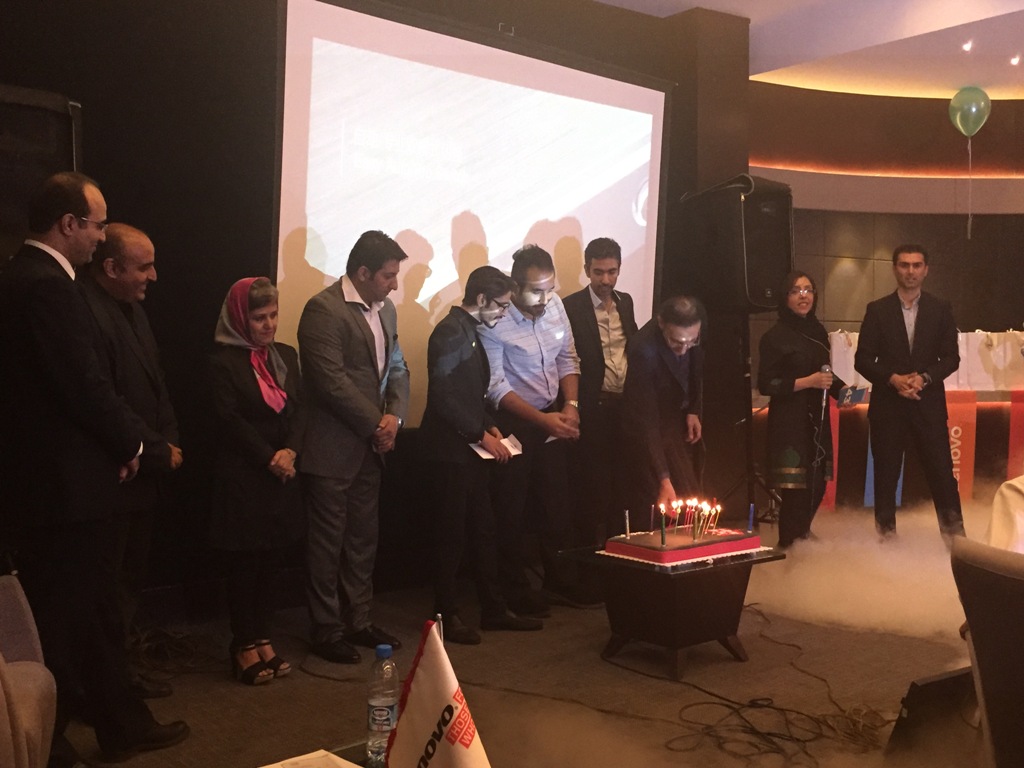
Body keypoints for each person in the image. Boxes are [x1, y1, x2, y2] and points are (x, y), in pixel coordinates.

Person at [0, 172, 188, 765]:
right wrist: (137, 448)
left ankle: (119, 722)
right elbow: (83, 390)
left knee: (96, 611)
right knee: (64, 619)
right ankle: (44, 742)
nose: (101, 235)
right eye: (98, 224)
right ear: (69, 224)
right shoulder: (49, 287)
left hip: (52, 484)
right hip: (67, 491)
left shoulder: (18, 276)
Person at [80, 223, 182, 698]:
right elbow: (105, 399)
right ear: (111, 267)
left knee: (128, 582)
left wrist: (169, 442)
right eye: (144, 267)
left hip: (146, 474)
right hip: (115, 475)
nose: (154, 277)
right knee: (104, 589)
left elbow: (156, 385)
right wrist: (154, 449)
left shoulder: (134, 311)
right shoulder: (86, 313)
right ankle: (103, 688)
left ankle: (119, 677)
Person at [298, 230, 410, 664]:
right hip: (332, 448)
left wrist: (395, 418)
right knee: (327, 545)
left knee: (363, 540)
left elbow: (397, 368)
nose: (394, 285)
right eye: (388, 276)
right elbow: (330, 382)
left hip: (372, 447)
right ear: (363, 272)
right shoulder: (323, 309)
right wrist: (375, 423)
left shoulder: (387, 311)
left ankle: (358, 621)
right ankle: (326, 629)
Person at [420, 265, 543, 644]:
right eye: (502, 306)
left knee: (483, 530)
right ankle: (445, 615)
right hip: (448, 454)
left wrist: (490, 425)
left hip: (469, 452)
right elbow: (443, 397)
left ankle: (493, 609)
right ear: (481, 299)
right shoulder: (449, 332)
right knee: (451, 537)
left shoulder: (469, 330)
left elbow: (472, 395)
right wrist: (481, 434)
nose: (505, 313)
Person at [478, 244, 591, 615]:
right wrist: (544, 420)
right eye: (536, 291)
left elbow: (568, 358)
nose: (545, 299)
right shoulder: (496, 318)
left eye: (550, 289)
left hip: (552, 413)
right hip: (512, 423)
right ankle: (515, 590)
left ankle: (561, 581)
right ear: (515, 286)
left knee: (557, 504)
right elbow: (495, 387)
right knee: (511, 508)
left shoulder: (554, 306)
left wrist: (571, 406)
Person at [210, 277, 305, 684]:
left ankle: (264, 637)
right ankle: (243, 645)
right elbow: (228, 421)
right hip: (245, 477)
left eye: (273, 315)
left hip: (283, 474)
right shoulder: (223, 362)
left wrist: (291, 451)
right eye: (259, 317)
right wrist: (269, 457)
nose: (269, 325)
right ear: (239, 318)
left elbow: (300, 410)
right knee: (245, 564)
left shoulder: (285, 356)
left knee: (271, 561)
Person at [854, 243, 965, 539]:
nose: (910, 271)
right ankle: (886, 539)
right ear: (895, 269)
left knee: (942, 476)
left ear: (926, 270)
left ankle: (956, 541)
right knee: (886, 478)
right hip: (888, 408)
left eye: (917, 265)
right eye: (904, 265)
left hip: (928, 406)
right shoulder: (877, 310)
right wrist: (892, 379)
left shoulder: (940, 309)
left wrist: (924, 378)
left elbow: (951, 358)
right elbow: (862, 359)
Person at [757, 272, 846, 548]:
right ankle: (788, 543)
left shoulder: (818, 332)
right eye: (795, 291)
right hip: (790, 421)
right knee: (795, 488)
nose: (803, 296)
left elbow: (823, 372)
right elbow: (766, 384)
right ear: (785, 298)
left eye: (808, 290)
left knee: (817, 483)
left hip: (817, 418)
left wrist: (842, 390)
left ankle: (801, 534)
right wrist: (807, 382)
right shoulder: (774, 337)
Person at [563, 237, 638, 542]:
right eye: (598, 272)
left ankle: (621, 548)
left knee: (624, 485)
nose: (605, 280)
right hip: (593, 408)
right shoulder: (570, 306)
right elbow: (564, 359)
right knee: (593, 488)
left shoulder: (626, 301)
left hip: (625, 407)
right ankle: (589, 555)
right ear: (586, 270)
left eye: (612, 272)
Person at [623, 295, 705, 516]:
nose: (684, 349)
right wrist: (663, 478)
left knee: (690, 497)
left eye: (691, 342)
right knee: (660, 504)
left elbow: (696, 369)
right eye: (677, 342)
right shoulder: (642, 349)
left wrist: (693, 409)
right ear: (661, 323)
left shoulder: (694, 329)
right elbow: (646, 421)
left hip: (674, 420)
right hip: (646, 428)